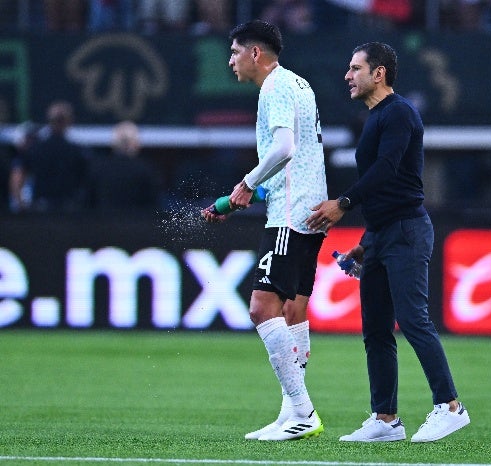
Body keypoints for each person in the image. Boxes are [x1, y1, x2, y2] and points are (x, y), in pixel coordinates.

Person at [305, 42, 470, 443]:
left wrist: (344, 203)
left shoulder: (398, 112)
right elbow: (387, 187)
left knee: (414, 320)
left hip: (407, 232)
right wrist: (367, 241)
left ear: (379, 74)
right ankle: (385, 419)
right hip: (383, 235)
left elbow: (388, 169)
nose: (348, 75)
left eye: (356, 68)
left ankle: (450, 406)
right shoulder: (379, 117)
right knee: (376, 330)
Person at [201, 19, 327, 441]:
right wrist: (237, 200)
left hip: (290, 215)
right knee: (292, 310)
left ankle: (303, 412)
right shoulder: (299, 84)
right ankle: (291, 413)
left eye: (235, 52)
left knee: (260, 308)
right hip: (309, 210)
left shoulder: (274, 88)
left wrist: (247, 184)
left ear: (256, 53)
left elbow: (285, 148)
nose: (230, 60)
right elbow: (294, 159)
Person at [9, 101, 88, 213]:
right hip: (68, 212)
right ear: (69, 121)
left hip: (41, 211)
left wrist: (21, 205)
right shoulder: (77, 151)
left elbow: (17, 177)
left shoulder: (35, 148)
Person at [86, 120, 162, 211]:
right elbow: (154, 205)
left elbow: (87, 203)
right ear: (136, 145)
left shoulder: (98, 168)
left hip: (103, 223)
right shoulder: (146, 170)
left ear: (113, 144)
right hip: (138, 223)